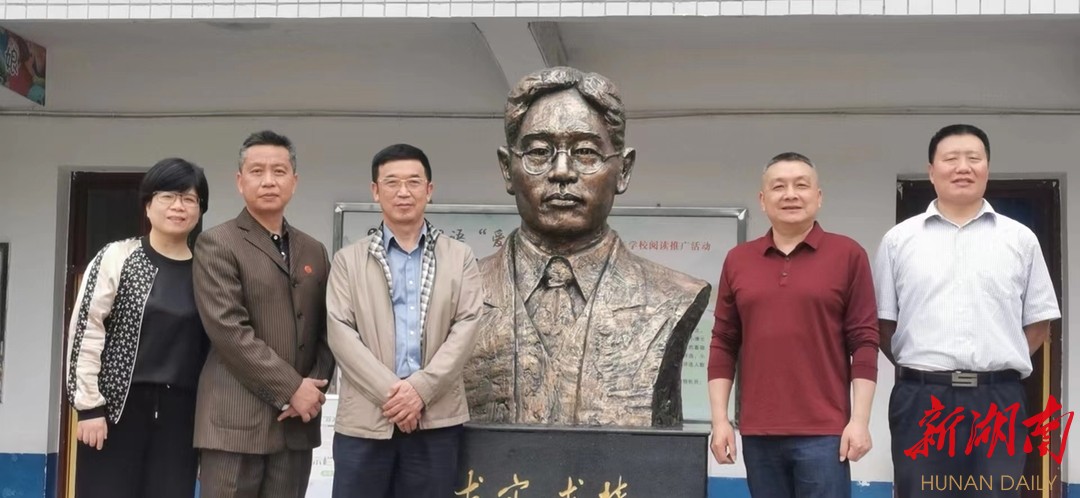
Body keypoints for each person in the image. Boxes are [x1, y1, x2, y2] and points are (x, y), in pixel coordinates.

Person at [463, 66, 711, 427]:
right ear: (506, 168)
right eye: (539, 151)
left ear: (623, 170)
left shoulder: (672, 295)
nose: (562, 171)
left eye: (585, 152)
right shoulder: (457, 292)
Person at [874, 124, 1061, 498]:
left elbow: (1038, 323)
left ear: (987, 168)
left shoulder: (1020, 239)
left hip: (998, 400)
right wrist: (924, 369)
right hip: (922, 401)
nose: (963, 167)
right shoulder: (899, 241)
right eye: (951, 159)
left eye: (973, 158)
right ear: (932, 171)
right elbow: (883, 323)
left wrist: (998, 363)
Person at [707, 152, 878, 498]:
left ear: (819, 196)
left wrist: (859, 421)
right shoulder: (739, 260)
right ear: (762, 199)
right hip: (758, 432)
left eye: (801, 185)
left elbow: (864, 341)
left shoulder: (848, 254)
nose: (790, 195)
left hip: (825, 432)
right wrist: (720, 420)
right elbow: (724, 341)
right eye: (778, 187)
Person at [326, 143, 482, 497]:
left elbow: (467, 325)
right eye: (392, 182)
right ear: (375, 191)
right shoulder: (348, 261)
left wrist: (420, 391)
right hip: (365, 423)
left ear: (429, 190)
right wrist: (396, 396)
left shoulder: (460, 257)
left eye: (413, 182)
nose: (403, 192)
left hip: (436, 420)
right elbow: (340, 333)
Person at [193, 130, 335, 498]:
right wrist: (292, 389)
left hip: (296, 427)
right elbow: (229, 330)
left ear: (294, 181)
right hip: (234, 426)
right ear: (240, 181)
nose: (268, 181)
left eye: (279, 171)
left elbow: (328, 330)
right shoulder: (217, 243)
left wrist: (313, 391)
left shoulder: (314, 250)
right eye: (257, 171)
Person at [66, 157, 210, 498]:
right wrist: (89, 408)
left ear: (200, 209)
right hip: (116, 411)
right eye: (167, 196)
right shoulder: (118, 257)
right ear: (147, 204)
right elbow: (87, 329)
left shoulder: (207, 271)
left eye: (189, 199)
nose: (178, 206)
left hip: (181, 416)